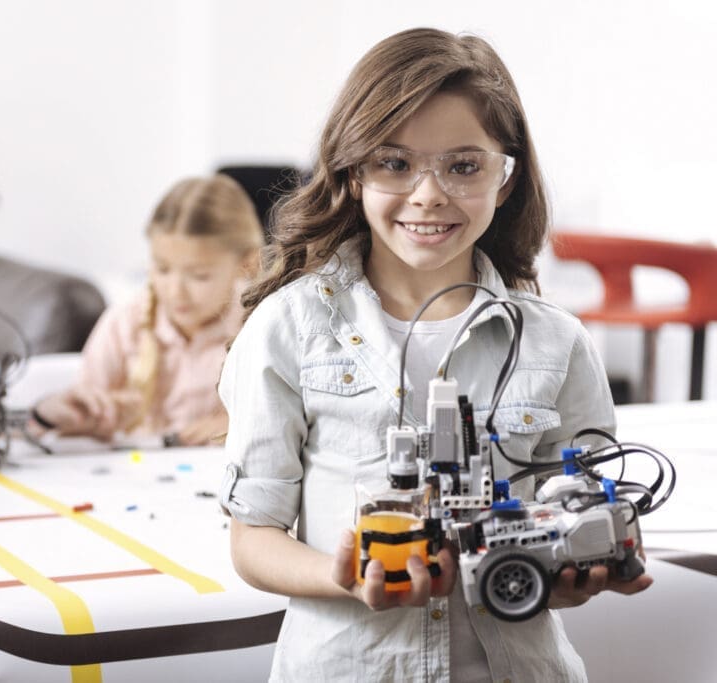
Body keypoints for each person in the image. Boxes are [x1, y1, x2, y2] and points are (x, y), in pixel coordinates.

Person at [218, 28, 653, 682]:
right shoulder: (290, 328)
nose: (428, 194)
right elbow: (253, 538)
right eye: (394, 162)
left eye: (463, 165)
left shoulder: (554, 339)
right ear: (353, 169)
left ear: (504, 178)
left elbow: (577, 509)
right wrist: (343, 577)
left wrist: (573, 570)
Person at [33, 174, 264, 446]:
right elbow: (68, 426)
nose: (175, 291)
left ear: (247, 264)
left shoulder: (261, 327)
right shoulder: (125, 323)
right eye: (162, 269)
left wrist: (242, 425)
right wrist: (88, 416)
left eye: (199, 275)